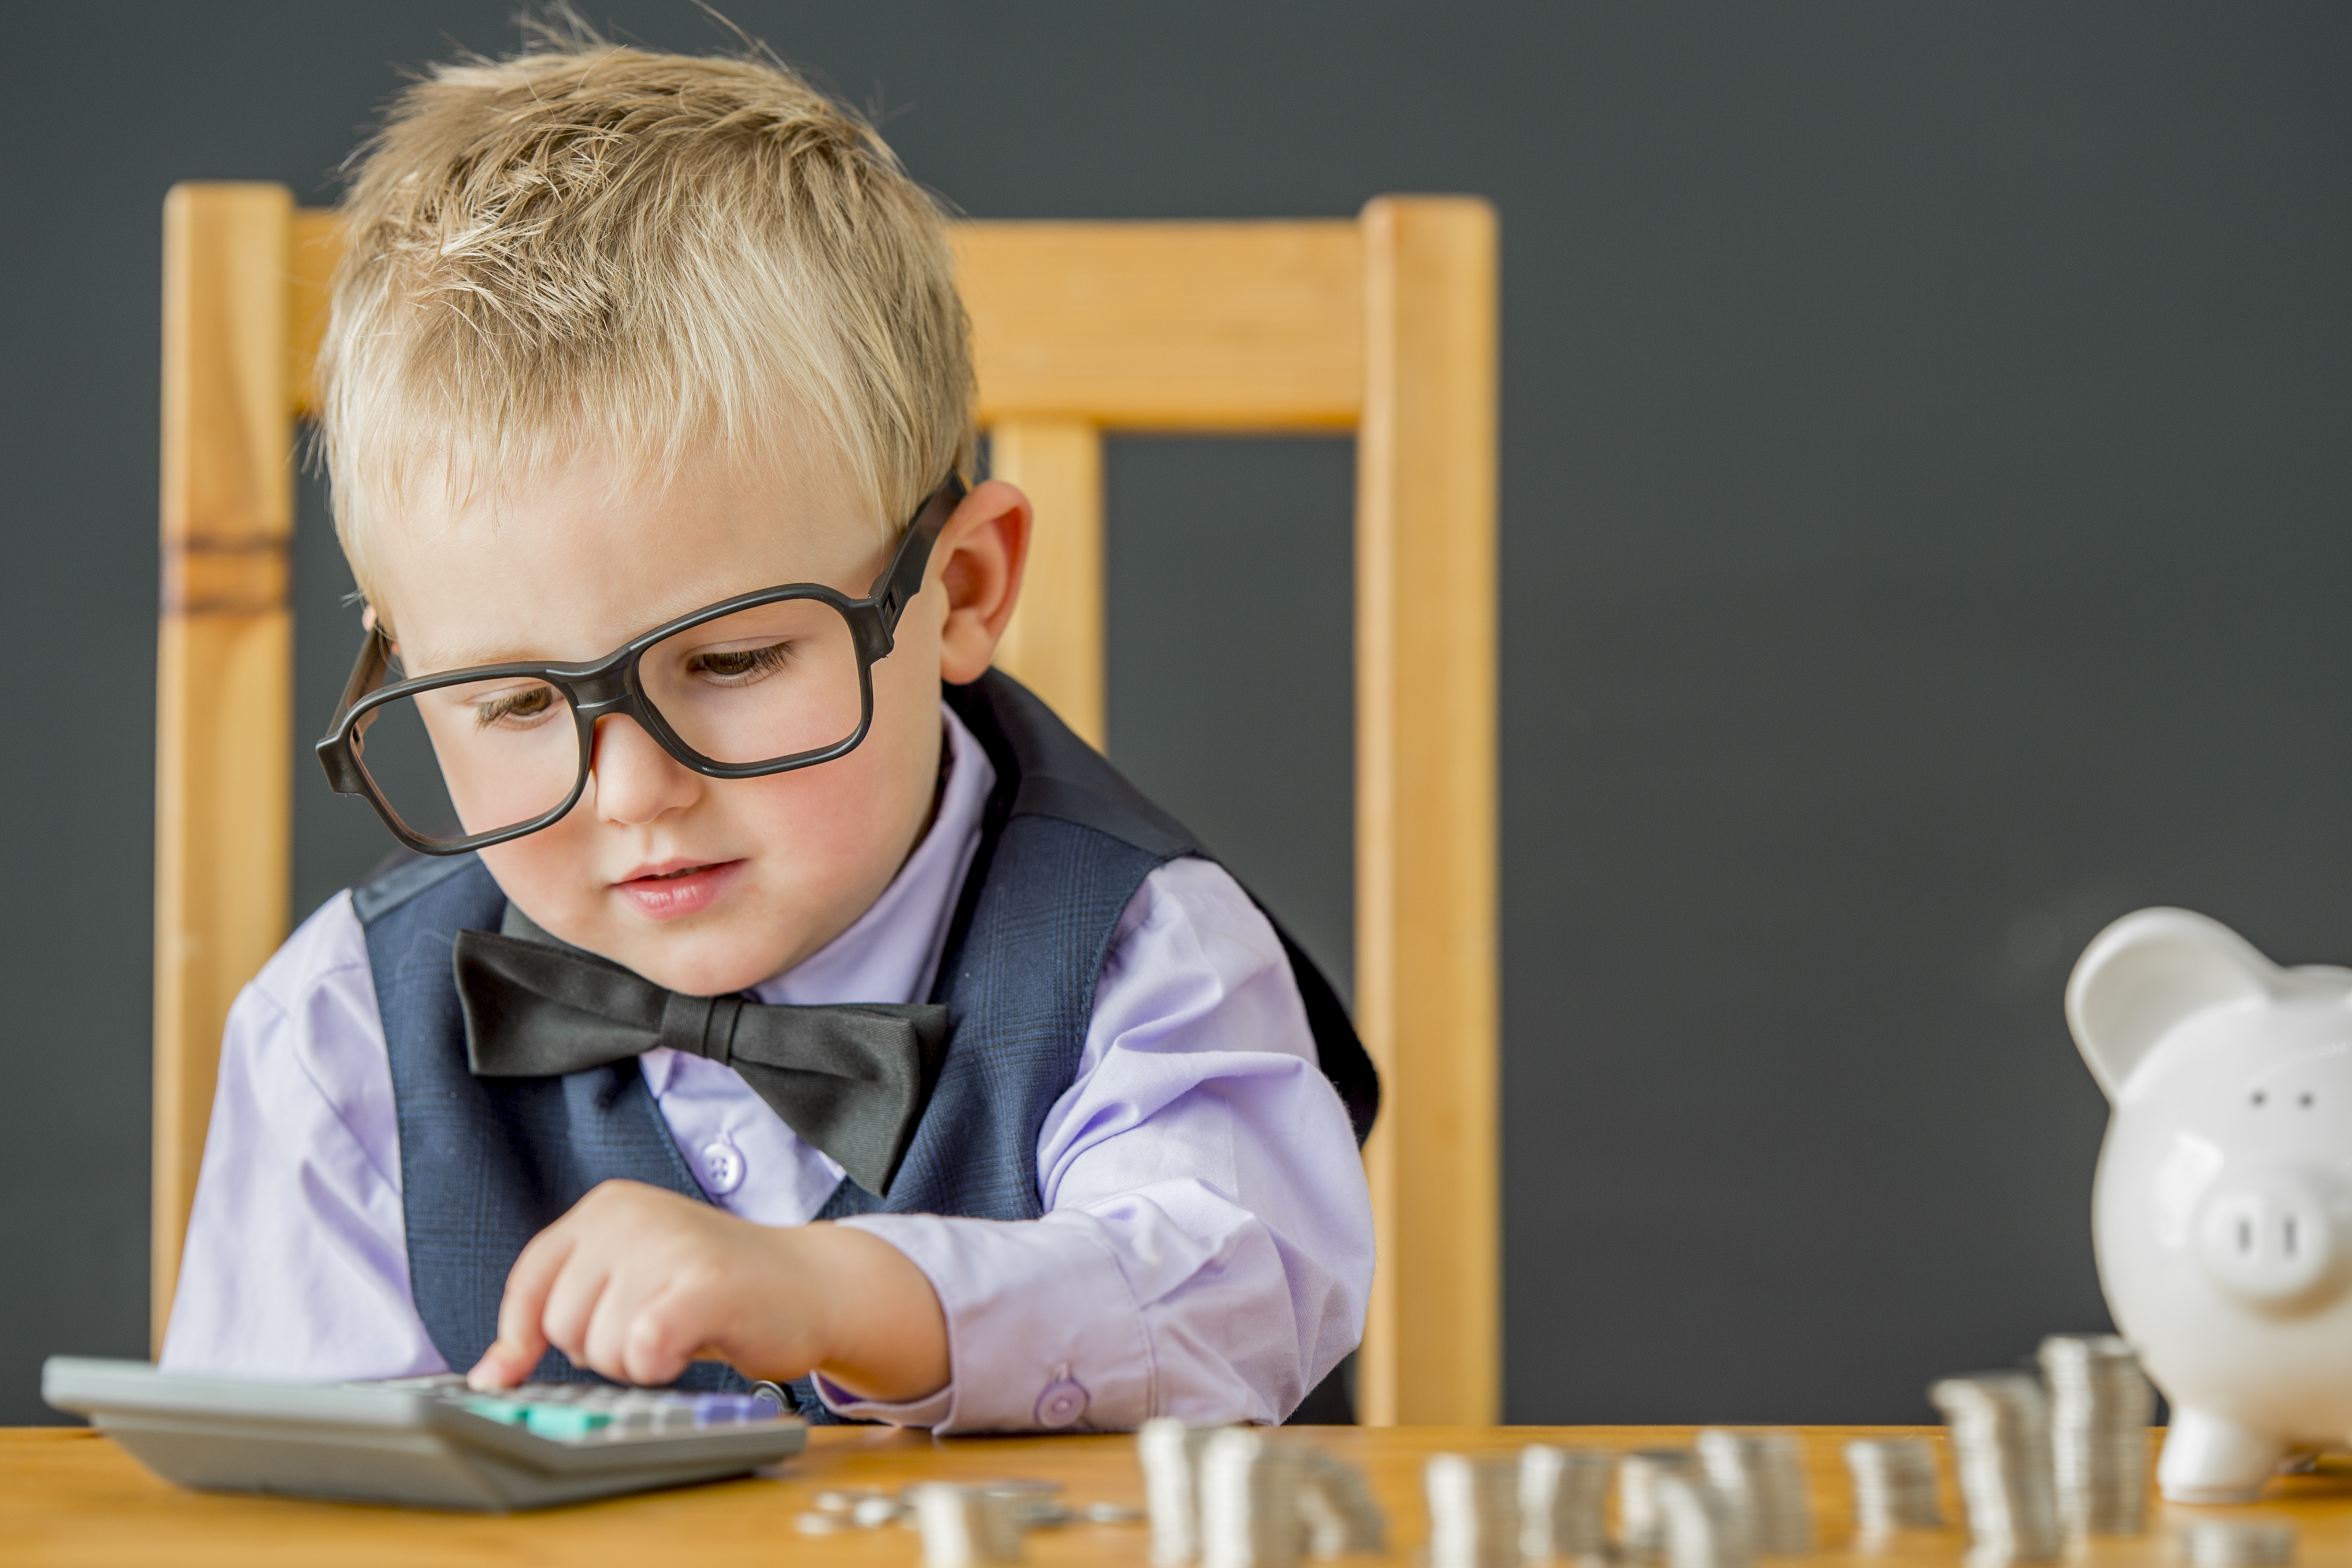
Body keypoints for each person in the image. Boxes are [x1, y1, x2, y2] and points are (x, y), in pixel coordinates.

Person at [158, 25, 1376, 1434]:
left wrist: (846, 1293)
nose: (632, 790)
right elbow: (279, 1496)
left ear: (961, 589)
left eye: (731, 659)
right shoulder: (343, 1033)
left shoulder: (1136, 954)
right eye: (509, 702)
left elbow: (1235, 1300)